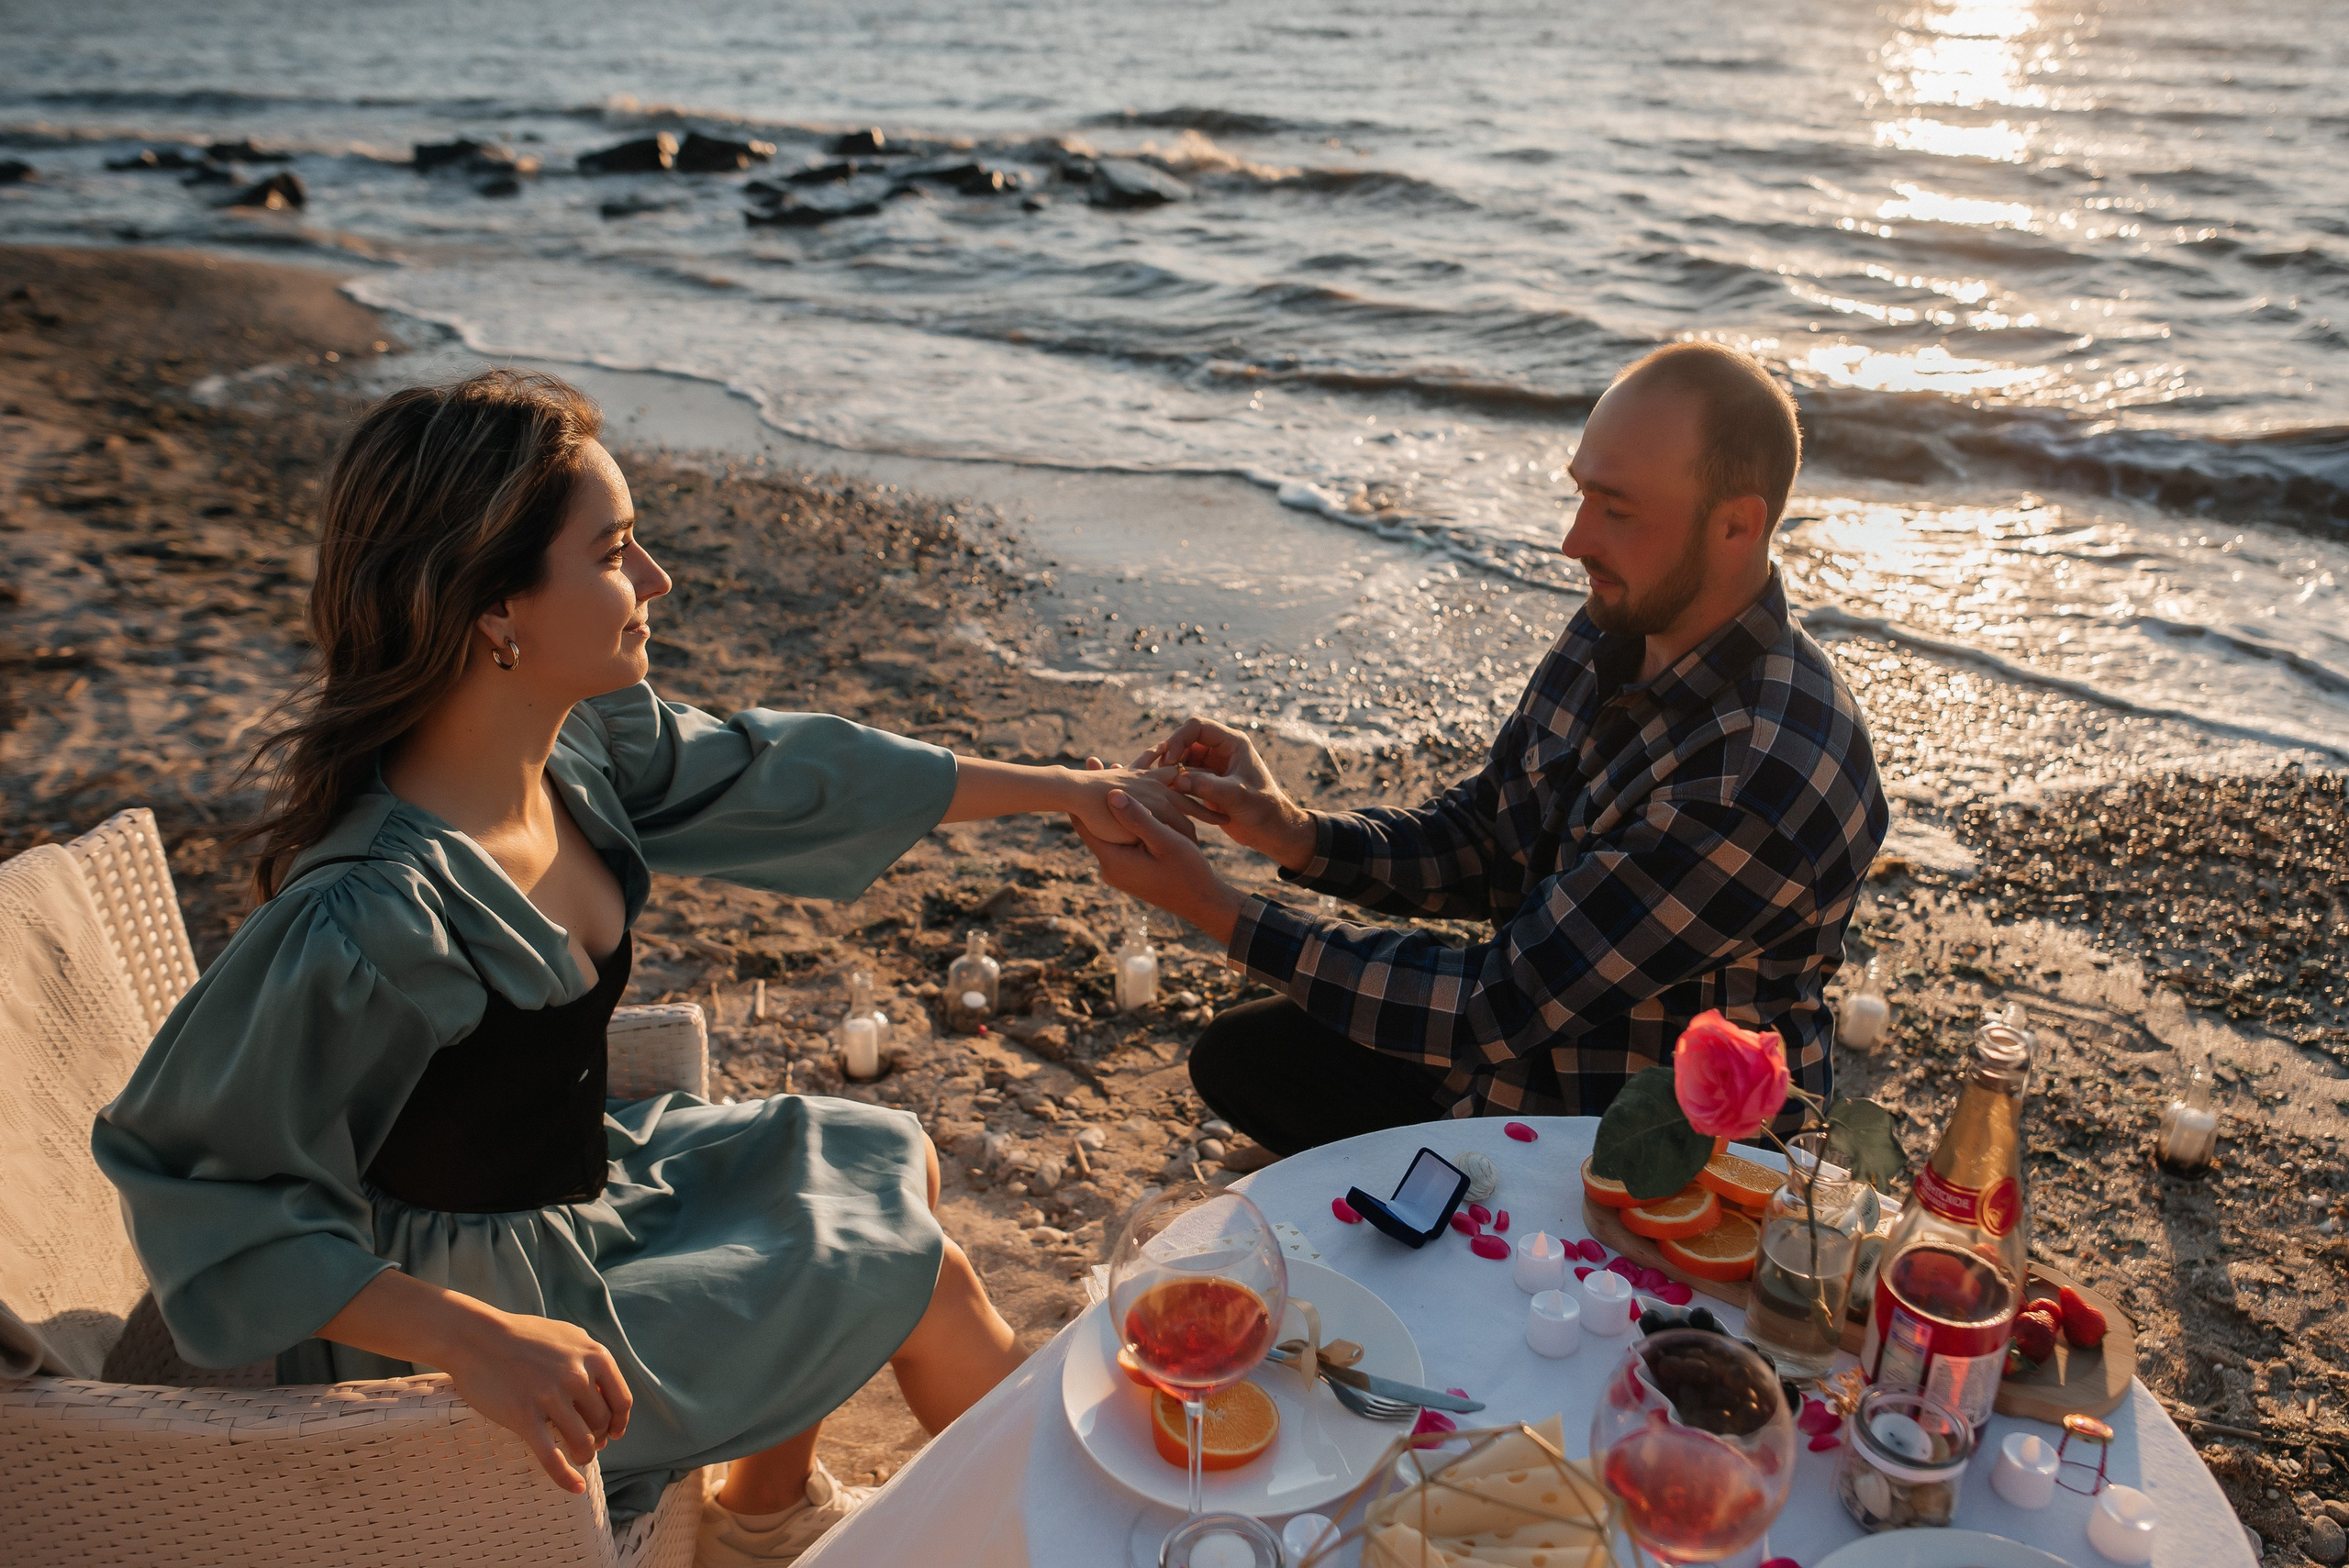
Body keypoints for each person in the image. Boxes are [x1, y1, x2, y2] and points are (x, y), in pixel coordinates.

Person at [91, 370, 1200, 1567]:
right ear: (493, 610)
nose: (657, 580)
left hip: (581, 1195)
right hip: (479, 1307)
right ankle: (1096, 1541)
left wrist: (1073, 793)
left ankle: (767, 1513)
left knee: (886, 1156)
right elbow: (194, 1181)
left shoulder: (580, 749)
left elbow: (790, 769)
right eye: (616, 551)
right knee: (920, 1276)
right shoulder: (372, 913)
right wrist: (473, 1336)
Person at [1074, 342, 1888, 1154]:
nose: (1574, 540)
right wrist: (1291, 830)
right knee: (1247, 1055)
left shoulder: (1760, 775)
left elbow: (1497, 1003)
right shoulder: (1626, 621)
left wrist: (1213, 906)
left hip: (1646, 1147)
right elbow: (1491, 832)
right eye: (1581, 496)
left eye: (1617, 509)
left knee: (1291, 1060)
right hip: (1521, 1059)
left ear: (1737, 524)